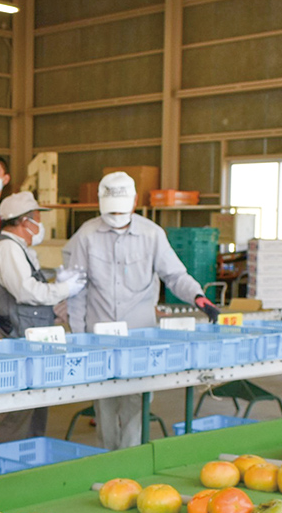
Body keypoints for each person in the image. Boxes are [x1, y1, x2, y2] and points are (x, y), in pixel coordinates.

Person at [62, 171, 220, 450]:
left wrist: (198, 296)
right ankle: (108, 461)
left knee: (136, 405)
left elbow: (174, 275)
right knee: (105, 406)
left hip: (140, 339)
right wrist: (77, 337)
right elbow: (76, 291)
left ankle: (130, 466)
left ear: (134, 202)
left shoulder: (152, 234)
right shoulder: (86, 235)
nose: (116, 219)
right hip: (98, 340)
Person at [0, 191, 84, 442]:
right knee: (14, 413)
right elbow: (26, 291)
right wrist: (64, 289)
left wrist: (55, 289)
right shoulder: (7, 248)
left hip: (27, 338)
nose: (40, 226)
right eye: (37, 220)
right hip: (11, 338)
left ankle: (29, 467)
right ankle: (7, 472)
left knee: (35, 410)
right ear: (24, 221)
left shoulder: (20, 249)